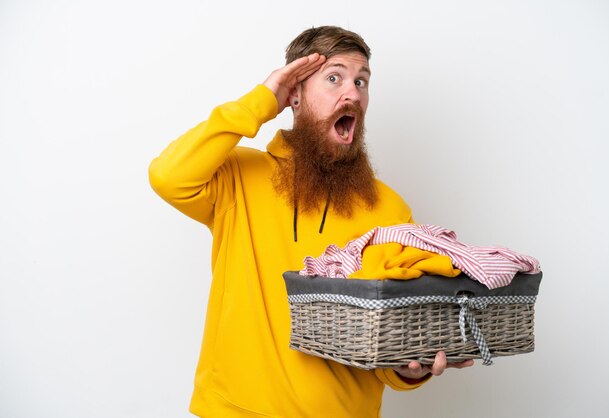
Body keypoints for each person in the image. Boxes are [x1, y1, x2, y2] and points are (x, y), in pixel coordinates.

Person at [149, 25, 473, 418]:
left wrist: (409, 370)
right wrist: (262, 99)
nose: (352, 92)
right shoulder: (237, 177)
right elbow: (168, 176)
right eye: (334, 78)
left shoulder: (390, 209)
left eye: (361, 81)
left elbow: (390, 338)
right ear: (295, 94)